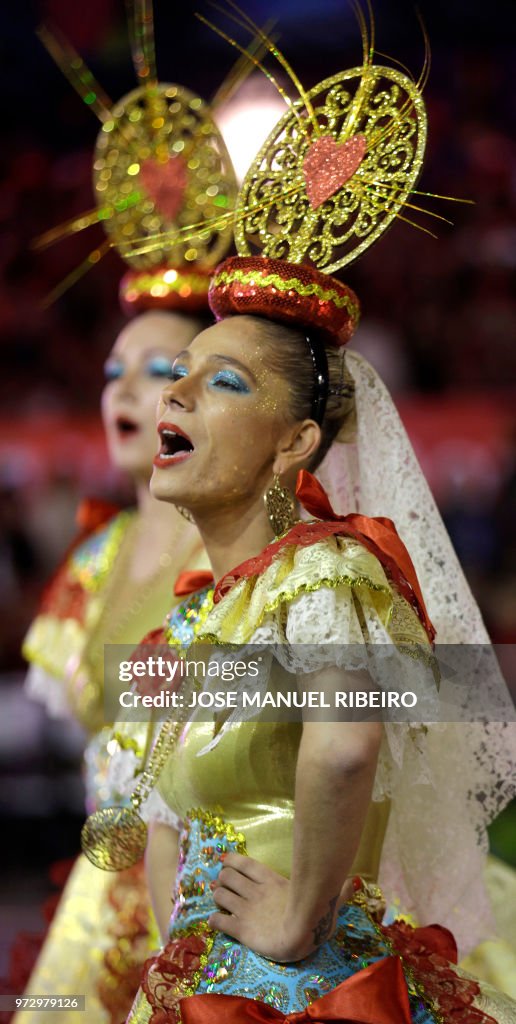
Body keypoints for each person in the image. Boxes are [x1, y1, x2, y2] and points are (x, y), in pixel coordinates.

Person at [85, 14, 515, 1024]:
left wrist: (298, 918)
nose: (172, 399)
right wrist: (176, 961)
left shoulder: (325, 572)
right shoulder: (191, 622)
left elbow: (343, 742)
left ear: (295, 447)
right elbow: (159, 824)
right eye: (173, 379)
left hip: (308, 989)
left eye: (219, 382)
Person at [15, 9, 237, 1021]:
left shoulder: (256, 548)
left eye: (160, 371)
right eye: (114, 372)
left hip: (226, 901)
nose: (126, 393)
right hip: (108, 904)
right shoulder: (97, 559)